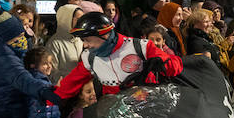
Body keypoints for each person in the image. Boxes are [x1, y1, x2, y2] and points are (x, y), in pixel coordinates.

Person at [51, 11, 183, 101]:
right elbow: (67, 86)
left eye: (87, 40)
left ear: (103, 34)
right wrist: (49, 99)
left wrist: (164, 63)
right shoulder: (89, 59)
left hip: (148, 109)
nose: (85, 45)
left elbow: (175, 67)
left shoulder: (140, 47)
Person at [44, 3, 84, 82]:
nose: (82, 22)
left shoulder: (80, 39)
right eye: (79, 19)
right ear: (67, 19)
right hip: (66, 88)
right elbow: (52, 72)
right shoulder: (54, 43)